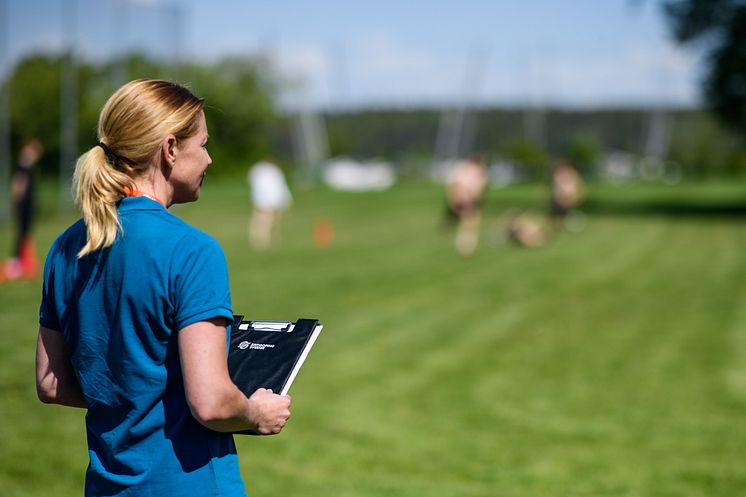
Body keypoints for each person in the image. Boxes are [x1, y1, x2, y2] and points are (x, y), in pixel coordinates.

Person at [35, 79, 291, 497]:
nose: (209, 158)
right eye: (203, 144)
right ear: (170, 149)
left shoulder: (66, 247)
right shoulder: (192, 250)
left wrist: (134, 394)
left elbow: (50, 382)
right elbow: (211, 403)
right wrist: (254, 412)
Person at [2, 137, 43, 281]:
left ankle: (21, 261)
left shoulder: (26, 167)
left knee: (25, 233)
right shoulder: (23, 167)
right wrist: (17, 202)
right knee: (22, 232)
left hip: (27, 205)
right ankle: (16, 263)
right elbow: (19, 185)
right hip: (24, 205)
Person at [445, 155, 489, 257]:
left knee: (469, 223)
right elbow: (456, 185)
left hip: (468, 199)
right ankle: (465, 247)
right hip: (466, 199)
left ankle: (466, 247)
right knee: (469, 223)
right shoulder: (470, 170)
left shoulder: (472, 170)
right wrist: (462, 197)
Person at [247, 158, 292, 249]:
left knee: (263, 221)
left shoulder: (259, 170)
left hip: (263, 200)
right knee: (266, 221)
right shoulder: (270, 172)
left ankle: (264, 240)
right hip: (267, 200)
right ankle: (263, 241)